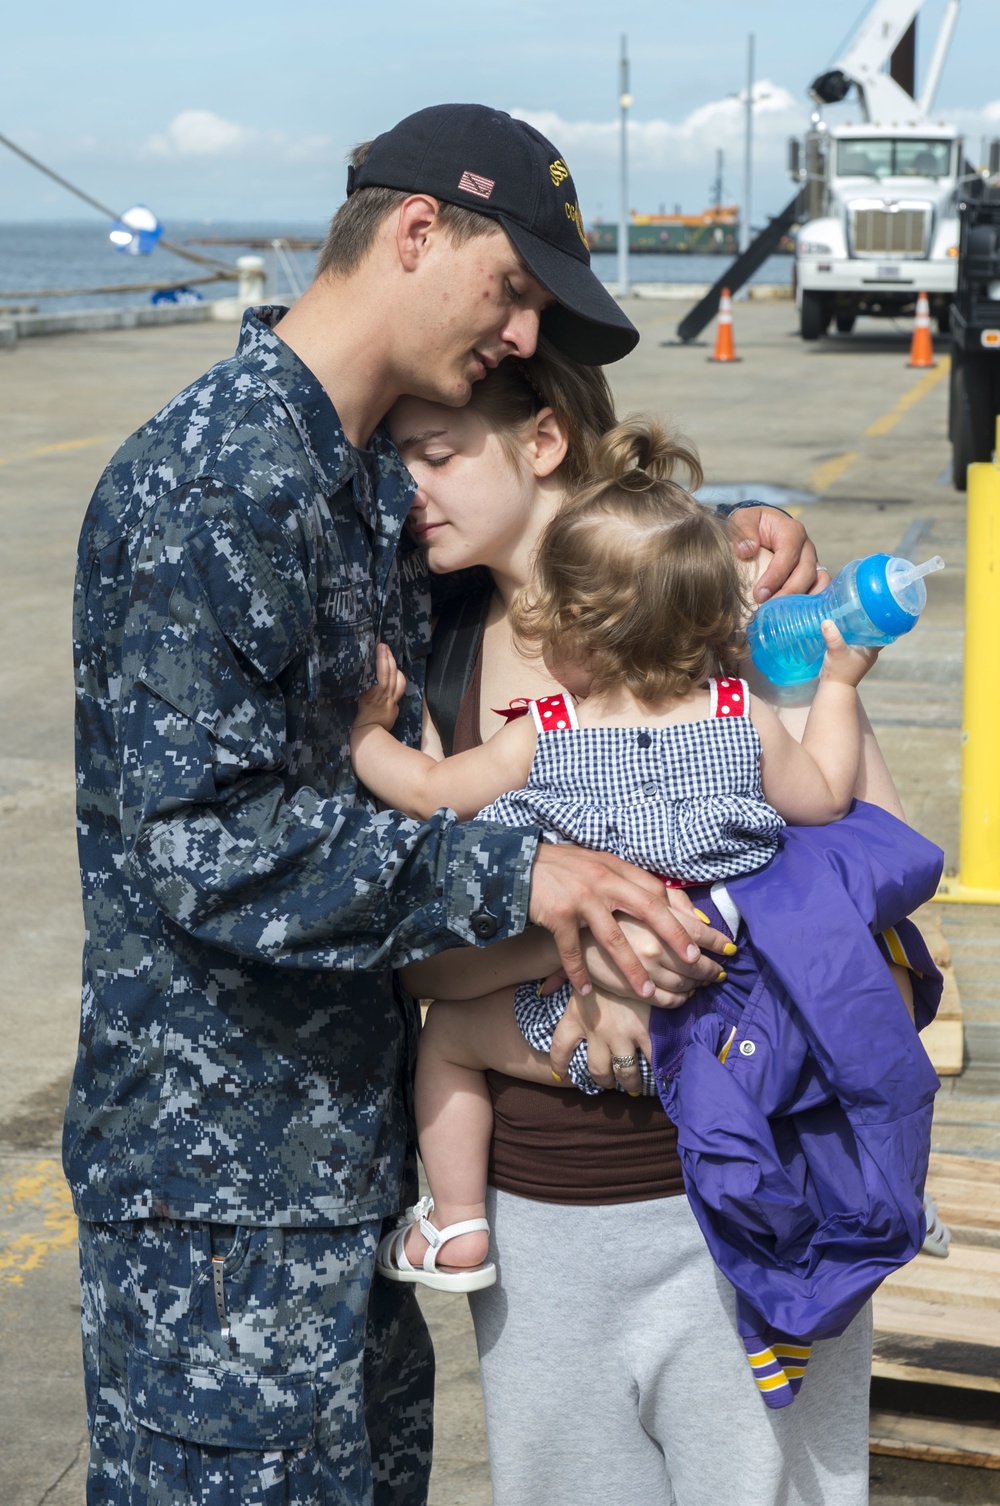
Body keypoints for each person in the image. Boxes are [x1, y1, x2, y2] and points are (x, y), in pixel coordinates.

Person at [64, 103, 760, 1506]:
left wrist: (741, 544)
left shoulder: (362, 477)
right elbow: (211, 851)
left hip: (349, 1168)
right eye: (513, 291)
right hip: (223, 1205)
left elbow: (552, 538)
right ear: (417, 230)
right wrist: (531, 883)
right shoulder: (217, 484)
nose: (518, 337)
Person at [360, 348, 937, 1506]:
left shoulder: (708, 610)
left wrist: (810, 658)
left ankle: (449, 1216)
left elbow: (867, 860)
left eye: (432, 453)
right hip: (552, 1215)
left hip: (754, 1199)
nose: (405, 492)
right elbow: (412, 954)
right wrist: (593, 941)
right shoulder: (430, 645)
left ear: (542, 440)